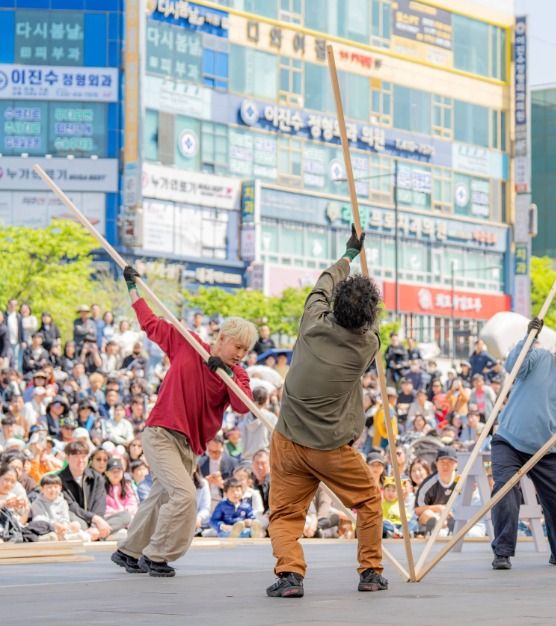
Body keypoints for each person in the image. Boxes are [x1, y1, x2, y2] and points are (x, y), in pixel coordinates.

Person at [266, 228, 388, 598]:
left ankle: (290, 574)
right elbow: (372, 327)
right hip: (331, 447)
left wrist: (349, 254)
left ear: (334, 305)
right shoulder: (366, 346)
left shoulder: (311, 322)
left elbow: (322, 283)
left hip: (287, 438)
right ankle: (370, 570)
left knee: (285, 514)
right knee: (368, 502)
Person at [111, 264, 255, 578]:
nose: (242, 354)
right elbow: (150, 323)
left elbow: (244, 407)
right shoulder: (188, 344)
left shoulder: (238, 374)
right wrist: (133, 288)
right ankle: (157, 555)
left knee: (162, 494)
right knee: (184, 495)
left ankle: (128, 551)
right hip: (162, 431)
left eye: (246, 350)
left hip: (189, 446)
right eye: (238, 346)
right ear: (222, 338)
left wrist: (226, 372)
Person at [489, 320, 556, 571]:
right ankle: (502, 552)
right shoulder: (537, 358)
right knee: (506, 490)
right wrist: (528, 337)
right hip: (509, 441)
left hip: (546, 452)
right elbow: (513, 366)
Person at [414, 446, 460, 535]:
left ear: (456, 463)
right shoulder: (428, 484)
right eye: (442, 462)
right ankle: (447, 525)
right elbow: (417, 510)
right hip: (434, 518)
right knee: (427, 514)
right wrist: (439, 508)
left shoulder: (462, 480)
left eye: (450, 462)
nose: (445, 465)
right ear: (436, 463)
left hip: (456, 516)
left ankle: (452, 525)